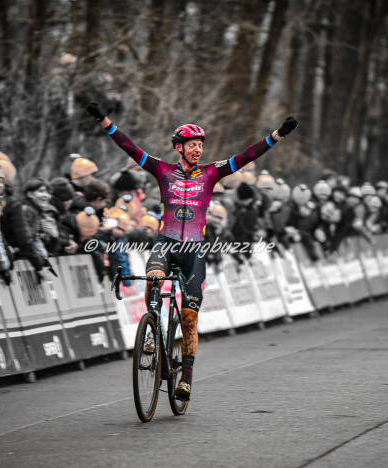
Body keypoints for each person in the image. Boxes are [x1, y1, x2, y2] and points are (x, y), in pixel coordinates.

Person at [86, 101, 298, 400]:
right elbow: (130, 148)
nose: (198, 149)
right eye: (192, 145)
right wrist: (104, 121)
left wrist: (277, 135)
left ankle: (185, 377)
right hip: (165, 243)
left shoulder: (211, 173)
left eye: (200, 145)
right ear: (179, 148)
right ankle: (152, 328)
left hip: (194, 251)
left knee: (189, 319)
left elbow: (247, 155)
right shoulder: (162, 170)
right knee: (154, 278)